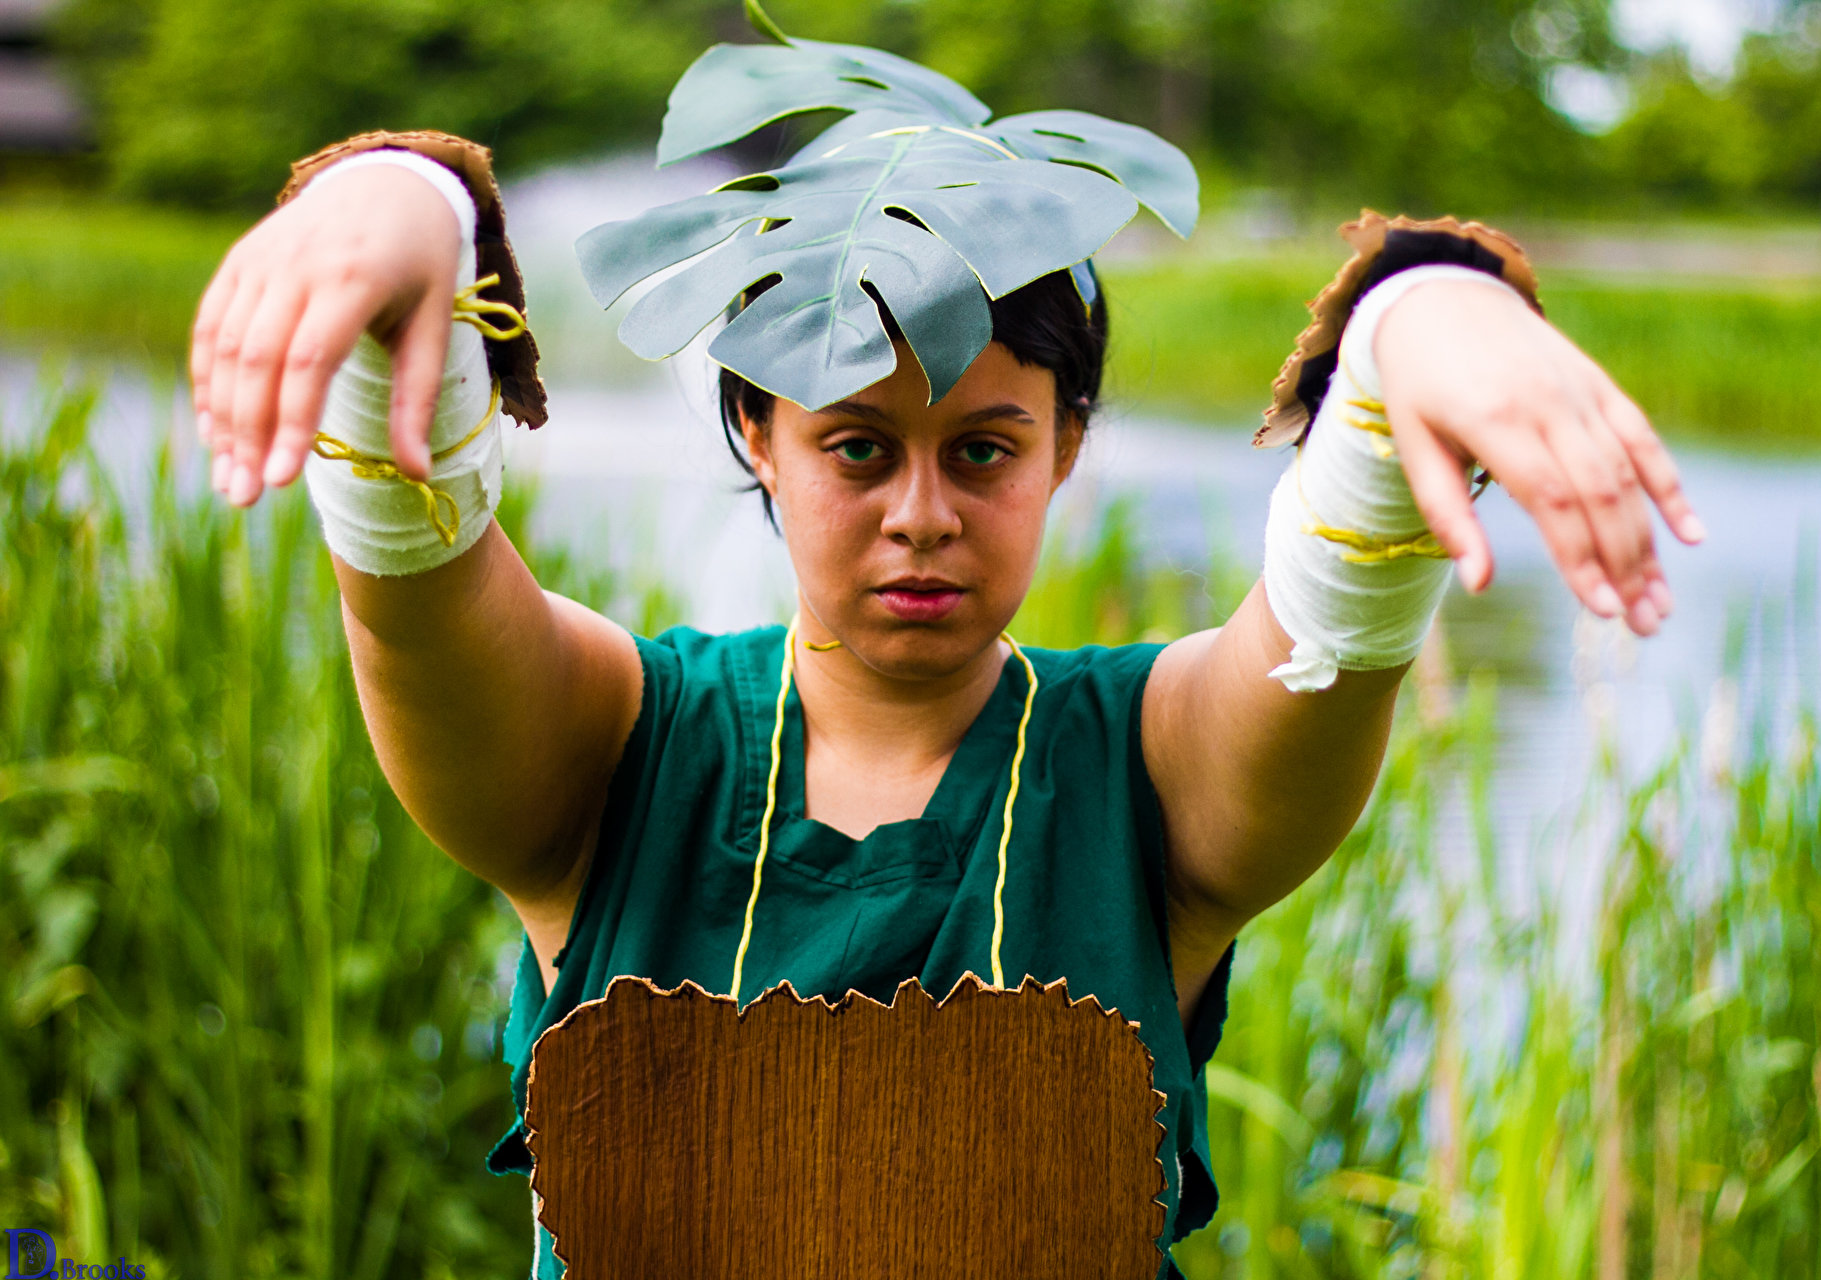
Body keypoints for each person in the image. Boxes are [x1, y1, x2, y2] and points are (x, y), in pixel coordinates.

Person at [189, 16, 1704, 1277]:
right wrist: (407, 208)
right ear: (755, 436)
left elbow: (1336, 610)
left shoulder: (1144, 773)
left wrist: (1414, 325)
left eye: (984, 452)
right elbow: (419, 566)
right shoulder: (623, 750)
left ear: (1067, 446)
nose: (923, 515)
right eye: (858, 449)